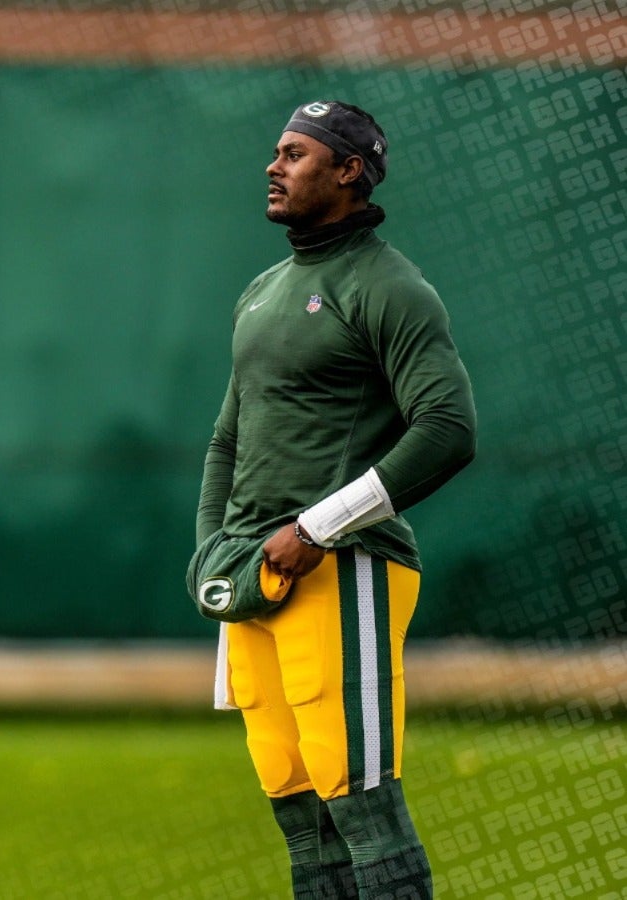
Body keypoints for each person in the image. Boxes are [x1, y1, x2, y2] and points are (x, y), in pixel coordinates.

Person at [192, 101, 476, 899]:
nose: (272, 166)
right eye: (274, 151)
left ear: (349, 171)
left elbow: (448, 429)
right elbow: (226, 441)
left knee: (358, 798)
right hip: (255, 575)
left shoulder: (389, 285)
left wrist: (315, 529)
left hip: (343, 567)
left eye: (294, 153)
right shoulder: (262, 289)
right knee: (296, 800)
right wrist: (212, 548)